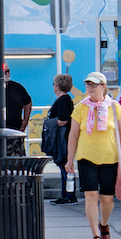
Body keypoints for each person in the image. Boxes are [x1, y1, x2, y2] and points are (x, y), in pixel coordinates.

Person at [66, 71, 121, 239]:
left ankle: (104, 224)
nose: (90, 88)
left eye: (94, 84)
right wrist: (69, 160)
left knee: (107, 199)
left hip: (110, 157)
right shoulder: (80, 107)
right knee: (91, 196)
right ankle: (95, 234)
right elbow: (73, 135)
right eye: (88, 84)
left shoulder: (114, 106)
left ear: (103, 86)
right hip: (86, 157)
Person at [46, 73, 76, 204]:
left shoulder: (63, 101)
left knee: (64, 164)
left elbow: (63, 120)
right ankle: (66, 194)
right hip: (63, 137)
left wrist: (47, 123)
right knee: (63, 165)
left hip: (62, 138)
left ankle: (69, 195)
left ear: (57, 86)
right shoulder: (66, 100)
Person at [3, 64, 33, 156]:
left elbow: (28, 102)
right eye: (5, 71)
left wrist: (25, 121)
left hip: (16, 133)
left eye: (8, 71)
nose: (7, 73)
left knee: (19, 163)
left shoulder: (17, 87)